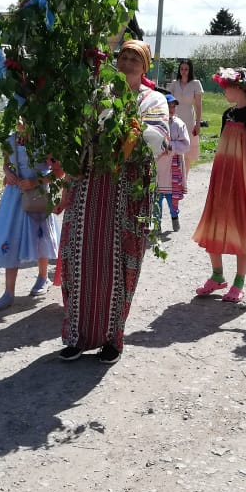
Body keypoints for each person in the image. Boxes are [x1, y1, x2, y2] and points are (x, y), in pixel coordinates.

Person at [58, 34, 169, 362]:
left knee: (119, 262)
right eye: (123, 56)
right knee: (78, 254)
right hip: (90, 186)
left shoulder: (154, 100)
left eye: (135, 58)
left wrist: (125, 131)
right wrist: (67, 180)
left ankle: (112, 338)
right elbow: (79, 138)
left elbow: (157, 139)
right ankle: (76, 336)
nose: (127, 62)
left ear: (144, 65)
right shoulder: (98, 94)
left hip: (128, 189)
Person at [192, 67, 246, 304]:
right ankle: (217, 276)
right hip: (222, 178)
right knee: (213, 223)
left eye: (227, 85)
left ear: (241, 88)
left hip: (243, 181)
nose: (223, 89)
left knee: (242, 228)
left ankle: (238, 282)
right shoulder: (228, 114)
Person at [0, 122, 59, 310]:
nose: (20, 121)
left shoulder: (45, 141)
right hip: (14, 197)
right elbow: (6, 163)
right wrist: (8, 171)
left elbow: (59, 171)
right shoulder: (11, 139)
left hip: (36, 195)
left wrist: (35, 181)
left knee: (40, 236)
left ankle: (42, 277)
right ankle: (9, 292)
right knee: (10, 237)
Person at [155, 93, 191, 233]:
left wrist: (171, 146)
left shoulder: (178, 124)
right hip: (159, 164)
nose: (171, 109)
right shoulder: (156, 122)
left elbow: (185, 145)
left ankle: (174, 217)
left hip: (173, 165)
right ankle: (156, 224)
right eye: (168, 106)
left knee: (172, 196)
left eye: (173, 106)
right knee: (157, 196)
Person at [167, 59, 204, 173]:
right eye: (181, 69)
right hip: (174, 118)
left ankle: (185, 179)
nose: (183, 71)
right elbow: (168, 101)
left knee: (187, 150)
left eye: (186, 69)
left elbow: (198, 105)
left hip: (189, 119)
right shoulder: (174, 83)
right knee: (173, 146)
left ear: (190, 70)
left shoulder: (195, 84)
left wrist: (198, 124)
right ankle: (173, 177)